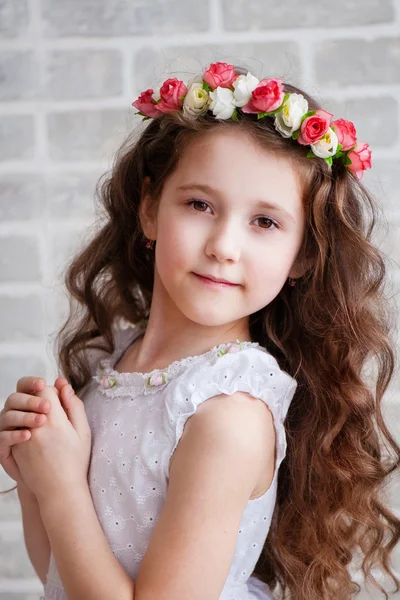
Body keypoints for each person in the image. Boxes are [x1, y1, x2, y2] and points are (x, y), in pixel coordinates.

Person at [0, 61, 399, 600]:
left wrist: (61, 486)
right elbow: (61, 576)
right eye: (199, 204)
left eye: (265, 222)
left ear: (303, 255)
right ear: (149, 209)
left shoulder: (227, 414)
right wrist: (35, 476)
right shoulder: (119, 359)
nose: (223, 245)